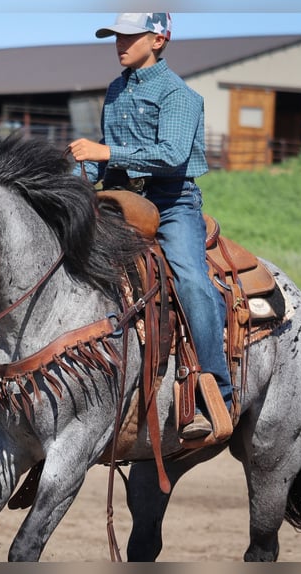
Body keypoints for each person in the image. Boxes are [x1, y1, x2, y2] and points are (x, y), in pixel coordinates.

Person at [68, 13, 232, 440]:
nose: (120, 43)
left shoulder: (180, 95)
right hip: (121, 198)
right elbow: (108, 165)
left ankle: (214, 388)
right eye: (116, 36)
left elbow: (173, 155)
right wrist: (77, 180)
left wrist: (104, 151)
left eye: (129, 36)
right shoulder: (116, 89)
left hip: (171, 201)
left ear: (158, 39)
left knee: (194, 281)